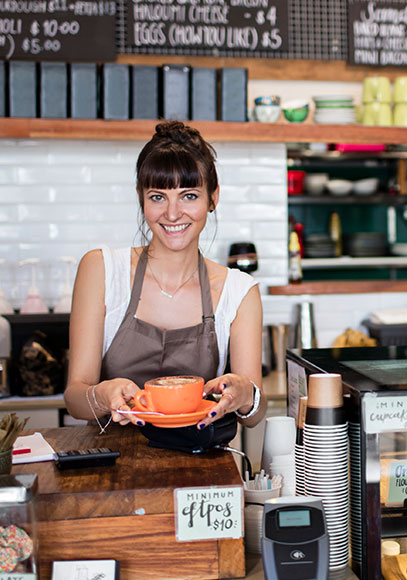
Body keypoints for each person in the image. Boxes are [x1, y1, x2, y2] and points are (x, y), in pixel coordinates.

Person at [64, 121, 266, 433]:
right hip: (111, 462)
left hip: (201, 465)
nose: (172, 214)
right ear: (141, 197)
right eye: (158, 196)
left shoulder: (238, 292)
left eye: (189, 196)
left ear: (213, 198)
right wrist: (101, 395)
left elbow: (253, 415)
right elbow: (75, 398)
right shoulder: (102, 270)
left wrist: (244, 394)